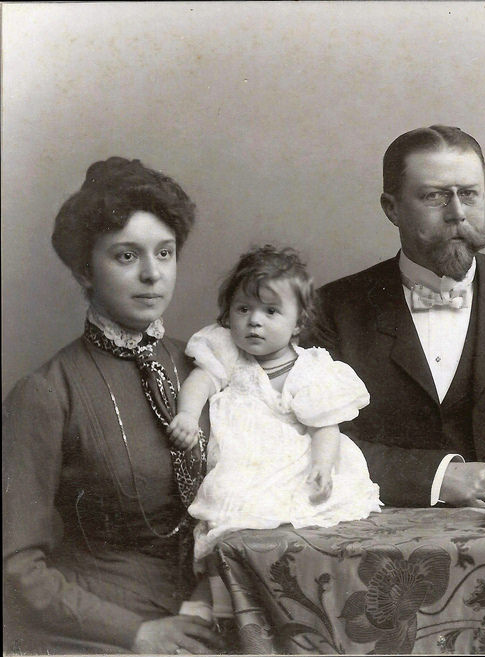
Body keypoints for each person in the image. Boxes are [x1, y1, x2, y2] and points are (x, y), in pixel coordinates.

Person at [2, 157, 222, 654]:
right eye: (126, 257)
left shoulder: (201, 366)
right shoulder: (45, 393)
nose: (151, 274)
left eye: (164, 254)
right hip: (101, 628)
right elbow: (15, 564)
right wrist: (135, 634)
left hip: (212, 607)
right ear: (85, 269)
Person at [313, 125, 485, 508]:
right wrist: (433, 477)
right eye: (435, 196)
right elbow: (310, 439)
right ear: (392, 208)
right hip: (376, 542)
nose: (457, 214)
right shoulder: (334, 309)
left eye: (469, 195)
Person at [167, 245, 380, 579]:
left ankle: (293, 579)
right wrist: (188, 416)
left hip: (297, 461)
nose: (254, 320)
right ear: (228, 314)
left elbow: (325, 427)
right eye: (243, 309)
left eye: (270, 311)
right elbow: (201, 381)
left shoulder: (311, 368)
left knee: (311, 509)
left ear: (298, 323)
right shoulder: (227, 353)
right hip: (243, 459)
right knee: (228, 503)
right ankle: (225, 590)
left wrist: (323, 466)